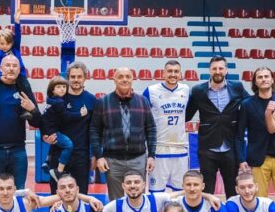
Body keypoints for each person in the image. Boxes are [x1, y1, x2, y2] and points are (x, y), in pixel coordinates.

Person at [185, 56, 249, 199]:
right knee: (207, 189)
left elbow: (251, 104)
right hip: (207, 147)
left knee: (232, 189)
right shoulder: (198, 90)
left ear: (226, 70)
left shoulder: (237, 87)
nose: (217, 71)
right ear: (209, 70)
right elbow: (186, 115)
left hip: (230, 145)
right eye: (214, 68)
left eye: (221, 68)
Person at [91, 67, 157, 201]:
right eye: (120, 77)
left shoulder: (143, 101)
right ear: (114, 79)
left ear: (132, 79)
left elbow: (151, 128)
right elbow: (94, 131)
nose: (124, 79)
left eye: (128, 76)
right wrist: (99, 157)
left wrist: (151, 155)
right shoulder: (103, 102)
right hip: (112, 161)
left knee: (138, 199)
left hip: (138, 159)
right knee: (116, 201)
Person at [0, 55, 42, 194]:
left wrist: (32, 108)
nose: (11, 68)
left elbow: (37, 122)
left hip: (18, 151)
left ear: (20, 70)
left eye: (15, 66)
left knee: (18, 194)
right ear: (0, 68)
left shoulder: (23, 87)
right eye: (7, 65)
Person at [236, 67, 275, 210]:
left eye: (267, 76)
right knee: (259, 201)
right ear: (255, 82)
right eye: (260, 77)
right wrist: (241, 159)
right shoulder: (247, 104)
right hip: (259, 159)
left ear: (272, 80)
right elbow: (239, 135)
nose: (264, 79)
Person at [47, 61, 97, 194]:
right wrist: (45, 136)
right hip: (58, 153)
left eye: (79, 77)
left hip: (81, 155)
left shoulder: (92, 100)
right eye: (73, 77)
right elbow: (46, 120)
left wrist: (94, 155)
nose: (76, 80)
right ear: (68, 78)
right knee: (57, 195)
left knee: (80, 195)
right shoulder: (59, 98)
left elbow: (95, 130)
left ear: (85, 78)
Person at [143, 60, 191, 193]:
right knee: (156, 192)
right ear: (163, 73)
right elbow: (143, 117)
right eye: (169, 71)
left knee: (180, 191)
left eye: (176, 71)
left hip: (180, 148)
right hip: (159, 149)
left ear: (180, 74)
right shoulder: (151, 91)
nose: (173, 74)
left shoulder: (186, 90)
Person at [41, 76, 87, 182]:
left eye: (63, 87)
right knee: (68, 145)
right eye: (58, 87)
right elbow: (67, 116)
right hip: (52, 131)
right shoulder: (59, 102)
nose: (62, 89)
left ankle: (48, 161)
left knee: (57, 143)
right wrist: (80, 113)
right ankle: (59, 170)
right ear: (52, 89)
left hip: (49, 130)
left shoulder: (50, 100)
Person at [0, 10, 34, 114]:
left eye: (7, 43)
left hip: (20, 75)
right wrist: (0, 77)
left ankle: (26, 110)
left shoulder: (16, 48)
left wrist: (17, 22)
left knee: (24, 90)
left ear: (12, 43)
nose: (5, 46)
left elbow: (18, 35)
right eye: (2, 43)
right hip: (5, 76)